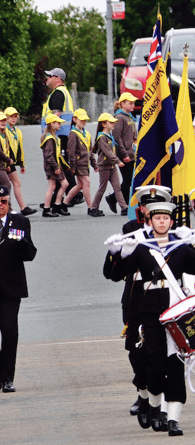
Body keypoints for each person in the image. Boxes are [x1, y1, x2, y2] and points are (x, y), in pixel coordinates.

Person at [105, 201, 195, 436]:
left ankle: (174, 418)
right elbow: (115, 275)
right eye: (157, 219)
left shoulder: (180, 247)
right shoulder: (141, 247)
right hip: (150, 312)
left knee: (175, 365)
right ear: (151, 220)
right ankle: (155, 406)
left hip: (176, 313)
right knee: (154, 364)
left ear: (171, 222)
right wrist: (116, 253)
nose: (162, 222)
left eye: (166, 219)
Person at [103, 185, 172, 418]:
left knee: (163, 354)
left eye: (159, 209)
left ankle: (160, 399)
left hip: (165, 300)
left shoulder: (173, 233)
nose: (150, 212)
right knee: (137, 352)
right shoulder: (131, 231)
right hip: (136, 299)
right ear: (141, 210)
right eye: (146, 207)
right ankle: (142, 393)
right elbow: (111, 274)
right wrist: (116, 253)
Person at [0, 184, 37, 393]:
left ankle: (7, 379)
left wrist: (22, 241)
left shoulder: (20, 222)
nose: (0, 206)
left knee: (9, 331)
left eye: (4, 202)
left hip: (11, 288)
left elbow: (30, 254)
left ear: (9, 202)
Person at [41, 67, 77, 204]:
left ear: (58, 79)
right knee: (60, 164)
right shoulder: (62, 92)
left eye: (50, 76)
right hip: (62, 134)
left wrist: (49, 133)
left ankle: (72, 194)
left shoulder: (58, 93)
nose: (47, 78)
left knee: (58, 164)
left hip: (58, 135)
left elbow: (56, 115)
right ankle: (57, 197)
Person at [63, 109, 99, 216]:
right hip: (78, 164)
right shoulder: (73, 134)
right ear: (74, 120)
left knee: (79, 185)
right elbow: (71, 152)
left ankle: (64, 203)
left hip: (85, 164)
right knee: (86, 182)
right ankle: (91, 207)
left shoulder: (86, 134)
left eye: (85, 120)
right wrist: (73, 166)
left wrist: (94, 164)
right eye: (81, 120)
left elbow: (90, 151)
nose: (83, 122)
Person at [107, 92, 138, 214]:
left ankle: (114, 198)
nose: (133, 105)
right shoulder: (119, 118)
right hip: (125, 155)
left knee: (129, 180)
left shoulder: (129, 116)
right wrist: (124, 154)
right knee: (128, 180)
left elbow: (131, 134)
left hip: (131, 153)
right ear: (122, 104)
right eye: (130, 103)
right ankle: (122, 204)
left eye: (134, 103)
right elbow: (117, 137)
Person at [3, 108, 36, 216]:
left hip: (11, 162)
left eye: (15, 116)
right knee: (6, 185)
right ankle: (9, 208)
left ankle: (22, 208)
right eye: (11, 117)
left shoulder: (17, 132)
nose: (14, 119)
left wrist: (22, 163)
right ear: (6, 117)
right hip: (5, 162)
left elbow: (20, 148)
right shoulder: (4, 130)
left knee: (15, 183)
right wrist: (6, 163)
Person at [40, 113, 70, 217]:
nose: (60, 125)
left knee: (62, 184)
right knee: (53, 186)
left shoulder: (54, 137)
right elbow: (49, 155)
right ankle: (47, 208)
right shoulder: (50, 138)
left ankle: (56, 206)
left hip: (55, 165)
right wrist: (56, 167)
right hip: (52, 166)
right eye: (58, 123)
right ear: (52, 124)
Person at [0, 113, 14, 195]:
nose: (3, 122)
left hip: (2, 165)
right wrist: (8, 160)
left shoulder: (4, 135)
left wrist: (7, 164)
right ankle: (7, 207)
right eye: (1, 120)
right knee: (6, 185)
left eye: (4, 120)